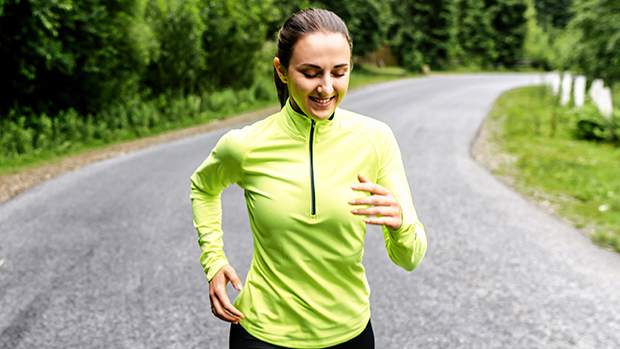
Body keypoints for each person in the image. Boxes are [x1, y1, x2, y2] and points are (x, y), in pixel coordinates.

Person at [190, 8, 427, 349]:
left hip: (349, 336)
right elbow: (203, 186)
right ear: (282, 71)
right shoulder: (246, 145)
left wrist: (401, 224)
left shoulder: (376, 139)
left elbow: (411, 258)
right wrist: (214, 260)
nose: (326, 88)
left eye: (339, 72)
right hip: (261, 334)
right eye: (311, 73)